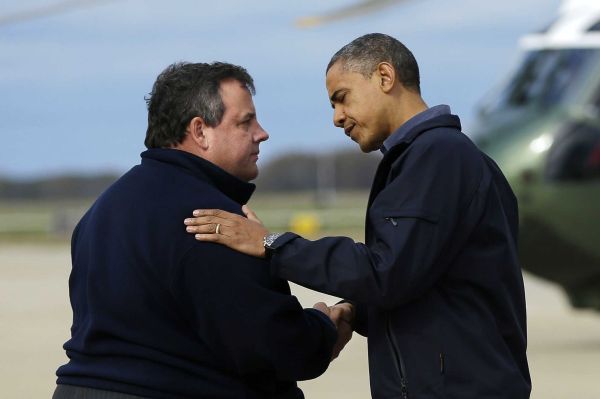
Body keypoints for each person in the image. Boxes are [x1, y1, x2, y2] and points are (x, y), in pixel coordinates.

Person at [183, 34, 532, 399]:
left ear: (384, 77)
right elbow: (423, 277)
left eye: (342, 98)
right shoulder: (433, 159)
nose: (336, 118)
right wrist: (356, 311)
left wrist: (270, 244)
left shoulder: (437, 157)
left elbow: (388, 271)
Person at [53, 62, 353, 399]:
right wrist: (324, 326)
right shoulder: (213, 222)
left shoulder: (101, 210)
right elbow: (278, 349)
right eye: (245, 122)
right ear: (200, 132)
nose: (262, 133)